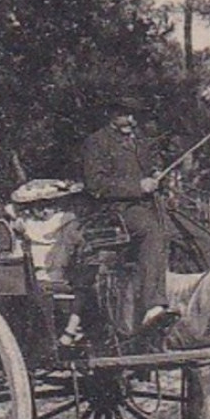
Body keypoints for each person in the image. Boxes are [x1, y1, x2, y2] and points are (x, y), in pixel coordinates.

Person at [81, 97, 176, 334]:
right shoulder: (96, 142)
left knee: (195, 233)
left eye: (134, 116)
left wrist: (156, 175)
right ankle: (152, 305)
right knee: (152, 230)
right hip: (115, 212)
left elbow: (151, 170)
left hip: (147, 206)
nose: (132, 121)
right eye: (126, 115)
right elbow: (95, 184)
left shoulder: (140, 142)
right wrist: (137, 186)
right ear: (112, 114)